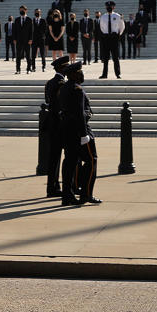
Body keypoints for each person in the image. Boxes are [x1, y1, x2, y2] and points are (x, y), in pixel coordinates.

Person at [59, 62, 99, 205]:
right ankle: (86, 193)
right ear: (73, 74)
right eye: (80, 72)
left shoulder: (64, 88)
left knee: (70, 162)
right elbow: (79, 114)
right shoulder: (77, 89)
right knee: (91, 160)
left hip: (67, 131)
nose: (82, 74)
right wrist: (84, 135)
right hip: (79, 131)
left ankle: (67, 196)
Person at [44, 55, 71, 197]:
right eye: (66, 67)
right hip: (59, 125)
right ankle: (54, 187)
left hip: (51, 124)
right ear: (62, 68)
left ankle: (52, 186)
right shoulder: (61, 84)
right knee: (60, 157)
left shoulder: (49, 82)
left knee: (53, 158)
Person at [97, 2, 124, 79]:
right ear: (106, 7)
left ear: (114, 7)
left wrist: (118, 35)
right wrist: (106, 35)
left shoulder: (117, 16)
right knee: (105, 58)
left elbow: (122, 26)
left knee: (115, 57)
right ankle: (104, 74)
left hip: (114, 38)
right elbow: (102, 28)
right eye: (108, 6)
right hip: (106, 38)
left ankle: (118, 74)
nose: (109, 7)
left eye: (111, 6)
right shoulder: (103, 17)